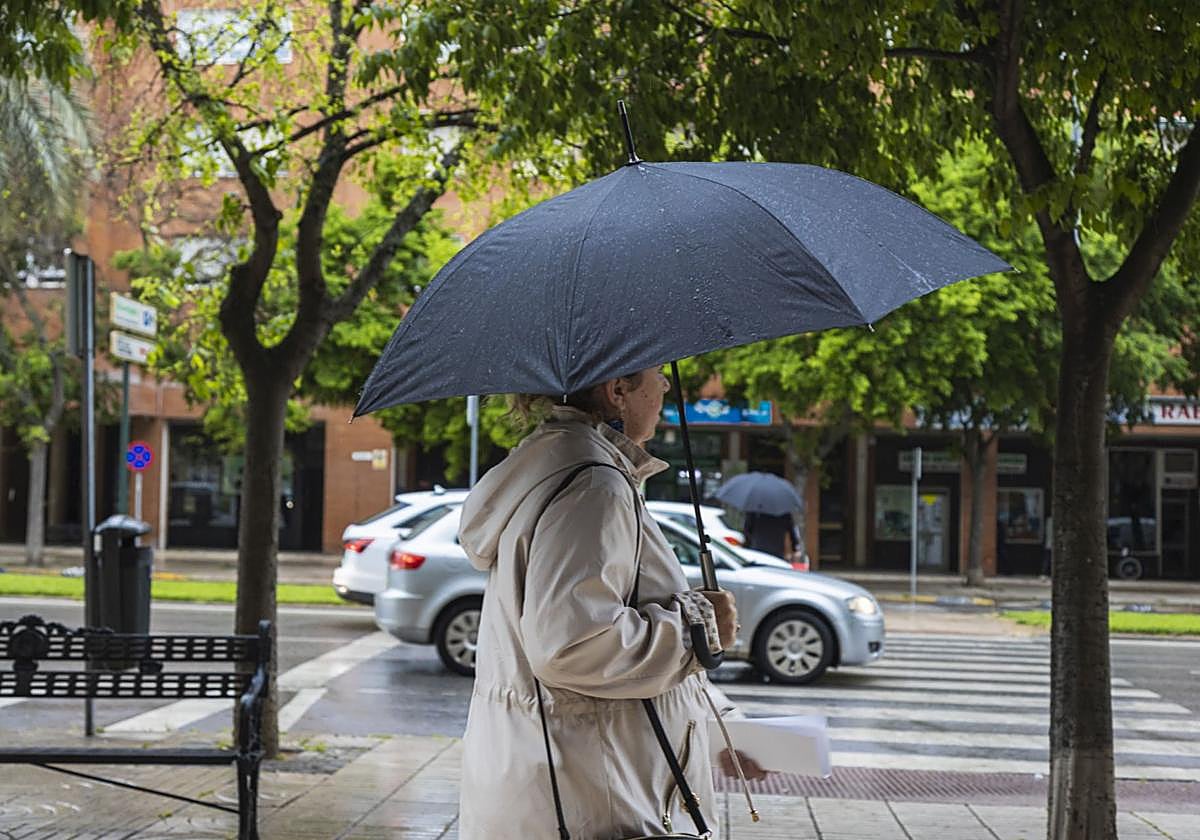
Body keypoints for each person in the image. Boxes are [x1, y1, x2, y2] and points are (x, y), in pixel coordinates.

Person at [456, 366, 759, 839]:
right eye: (657, 374)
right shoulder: (594, 485)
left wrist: (726, 723)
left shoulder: (560, 465)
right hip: (593, 795)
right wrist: (697, 627)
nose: (665, 385)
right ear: (618, 390)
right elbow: (573, 645)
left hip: (559, 781)